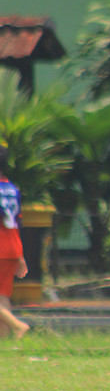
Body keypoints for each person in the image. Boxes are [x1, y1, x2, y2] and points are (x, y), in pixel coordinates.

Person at [0, 143, 30, 340]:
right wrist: (20, 255)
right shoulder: (12, 188)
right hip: (12, 246)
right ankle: (5, 342)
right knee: (2, 296)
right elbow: (16, 221)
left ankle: (18, 325)